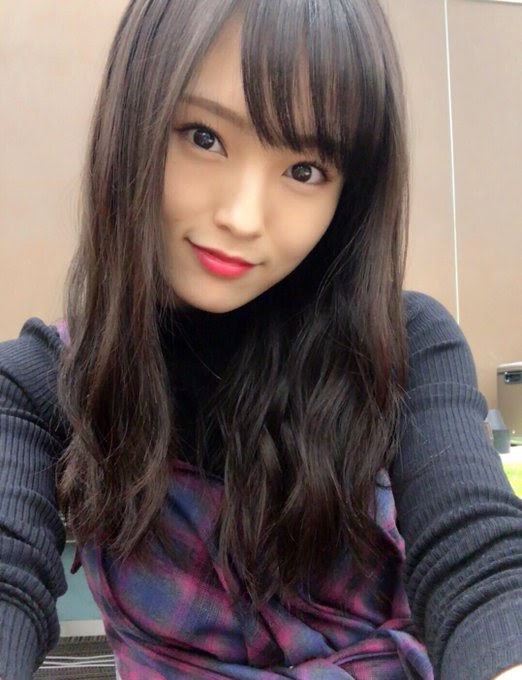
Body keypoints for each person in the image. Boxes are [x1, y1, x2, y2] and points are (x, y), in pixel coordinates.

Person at [0, 0, 521, 678]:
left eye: (305, 171)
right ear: (135, 122)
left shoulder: (404, 347)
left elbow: (478, 561)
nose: (244, 217)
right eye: (204, 137)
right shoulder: (41, 385)